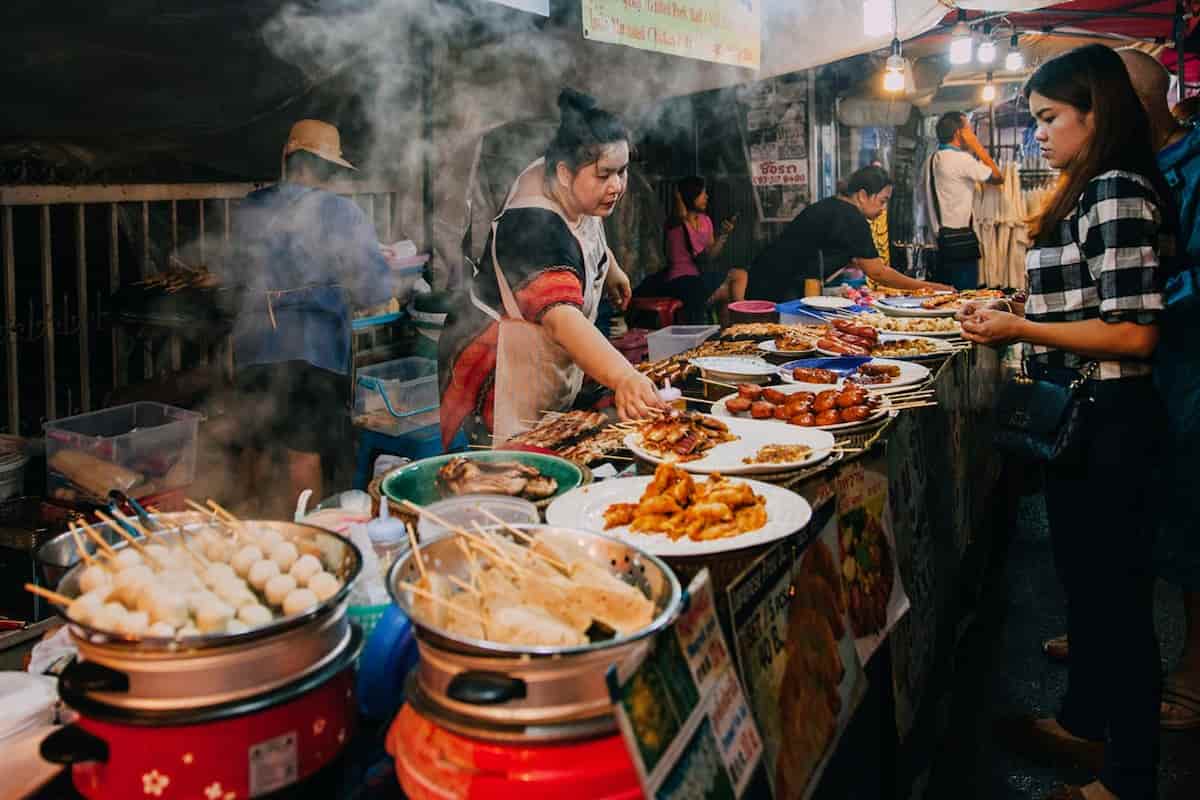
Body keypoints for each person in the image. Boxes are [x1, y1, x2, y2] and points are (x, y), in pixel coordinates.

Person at [958, 44, 1169, 800]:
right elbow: (1084, 301)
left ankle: (1129, 777)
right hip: (1084, 413)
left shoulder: (1116, 189)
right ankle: (1084, 725)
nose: (1039, 133)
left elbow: (1134, 332)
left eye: (1049, 118)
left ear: (1095, 112)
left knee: (1116, 600)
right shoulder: (1089, 189)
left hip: (1111, 416)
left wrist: (1021, 332)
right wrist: (1016, 310)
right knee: (1086, 587)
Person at [439, 89, 664, 448]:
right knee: (506, 471)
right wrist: (624, 377)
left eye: (622, 171)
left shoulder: (570, 184)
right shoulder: (533, 227)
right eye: (605, 174)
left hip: (540, 359)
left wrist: (612, 268)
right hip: (497, 371)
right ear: (564, 173)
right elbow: (562, 319)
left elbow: (583, 225)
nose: (618, 186)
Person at [229, 119, 394, 515]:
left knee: (256, 447)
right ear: (331, 169)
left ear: (288, 157)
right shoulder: (341, 212)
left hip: (252, 344)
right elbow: (374, 290)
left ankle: (247, 534)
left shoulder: (252, 205)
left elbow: (233, 272)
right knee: (302, 454)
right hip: (311, 349)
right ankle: (310, 541)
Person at [745, 165, 950, 302]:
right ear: (862, 195)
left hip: (765, 281)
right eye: (882, 201)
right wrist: (930, 288)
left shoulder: (833, 206)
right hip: (776, 291)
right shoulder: (852, 217)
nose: (883, 209)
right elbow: (878, 272)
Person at [635, 175, 744, 324]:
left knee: (737, 280)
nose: (706, 197)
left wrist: (723, 235)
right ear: (690, 195)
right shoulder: (675, 221)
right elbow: (681, 214)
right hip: (679, 280)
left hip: (698, 278)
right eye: (702, 193)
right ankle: (742, 322)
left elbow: (710, 255)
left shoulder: (706, 221)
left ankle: (733, 330)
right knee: (732, 281)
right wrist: (678, 194)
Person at [923, 112, 1004, 290]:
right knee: (965, 299)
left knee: (944, 298)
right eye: (969, 129)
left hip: (939, 243)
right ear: (959, 133)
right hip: (961, 243)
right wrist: (977, 146)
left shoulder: (931, 160)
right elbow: (998, 177)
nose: (972, 133)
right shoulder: (962, 160)